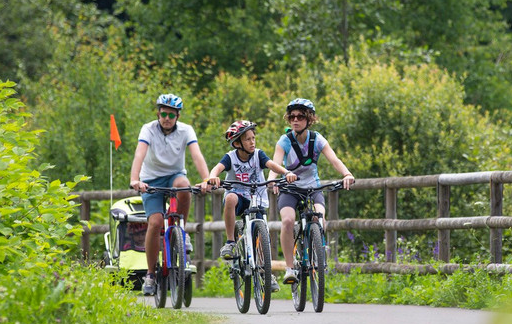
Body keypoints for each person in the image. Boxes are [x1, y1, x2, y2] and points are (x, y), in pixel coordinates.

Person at [267, 98, 354, 284]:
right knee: (288, 221)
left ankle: (318, 253)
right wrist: (271, 182)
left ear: (309, 119)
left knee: (320, 219)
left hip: (313, 188)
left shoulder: (317, 139)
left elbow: (334, 160)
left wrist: (347, 174)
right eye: (292, 117)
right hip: (290, 190)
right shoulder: (284, 141)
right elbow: (274, 165)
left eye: (300, 116)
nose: (295, 120)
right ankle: (290, 268)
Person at [129, 93, 210, 296]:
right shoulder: (148, 129)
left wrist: (207, 179)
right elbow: (139, 153)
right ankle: (150, 274)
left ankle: (179, 229)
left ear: (178, 116)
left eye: (171, 115)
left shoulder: (186, 130)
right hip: (151, 181)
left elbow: (196, 155)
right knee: (155, 223)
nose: (166, 118)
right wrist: (135, 179)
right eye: (163, 114)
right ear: (158, 113)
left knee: (184, 185)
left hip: (174, 176)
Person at [206, 120, 297, 292]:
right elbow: (217, 169)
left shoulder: (258, 155)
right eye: (247, 139)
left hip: (257, 197)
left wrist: (286, 172)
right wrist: (213, 177)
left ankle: (265, 272)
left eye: (253, 138)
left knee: (262, 232)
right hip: (239, 197)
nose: (252, 142)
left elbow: (271, 164)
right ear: (237, 143)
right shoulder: (231, 157)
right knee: (231, 197)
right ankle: (231, 242)